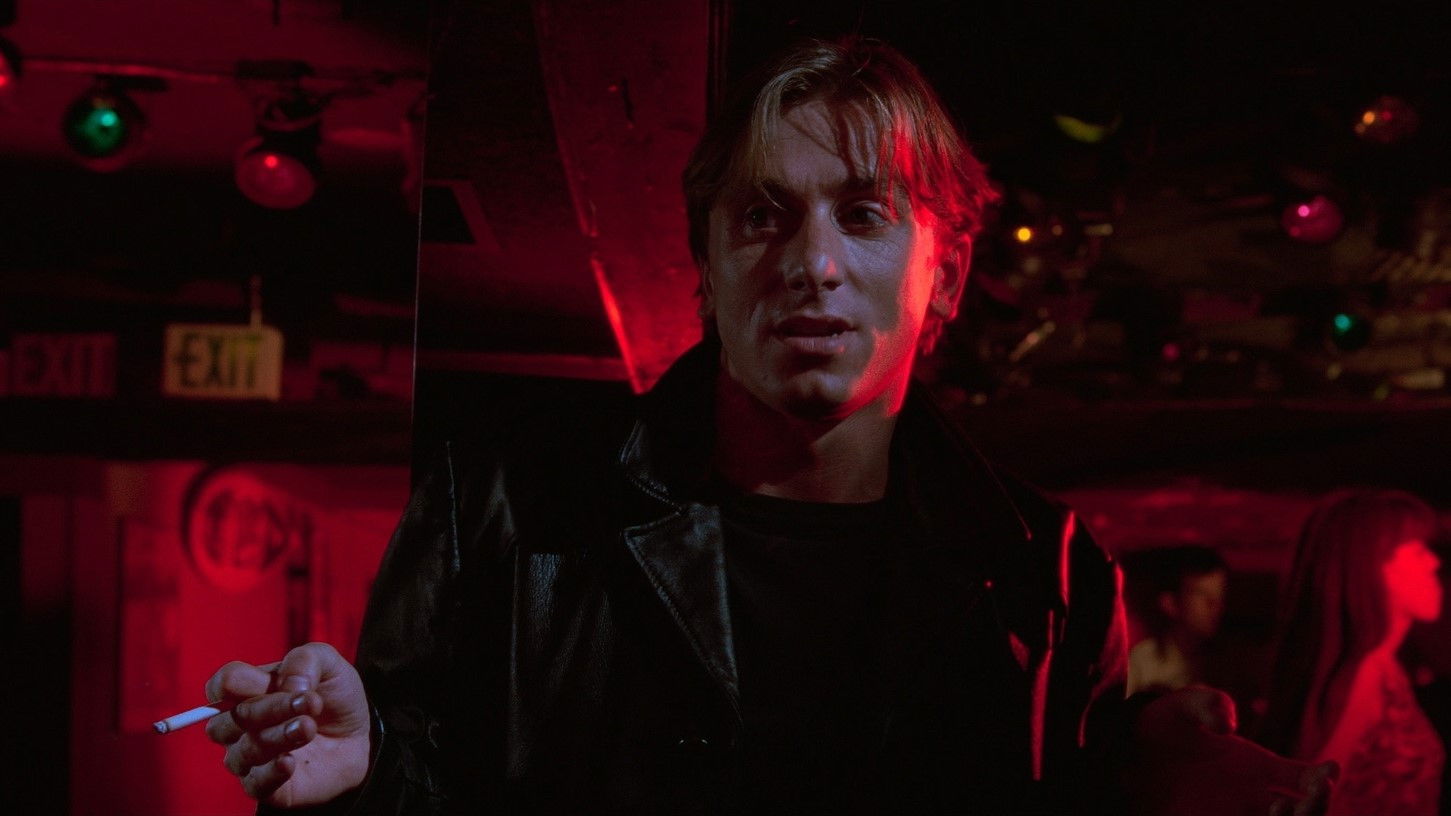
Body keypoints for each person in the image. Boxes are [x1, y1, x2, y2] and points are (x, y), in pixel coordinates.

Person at [204, 37, 1333, 814]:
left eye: (863, 214)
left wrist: (1166, 770)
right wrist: (364, 774)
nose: (812, 264)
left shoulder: (1045, 566)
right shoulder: (503, 507)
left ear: (944, 276)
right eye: (761, 215)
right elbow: (421, 781)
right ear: (706, 266)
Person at [1259, 489, 1444, 816]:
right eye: (1417, 550)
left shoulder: (1386, 669)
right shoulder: (1366, 674)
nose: (1434, 561)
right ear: (1374, 565)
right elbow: (1307, 796)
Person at [1123, 546, 1228, 693]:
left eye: (1219, 593)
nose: (1215, 604)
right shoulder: (1143, 662)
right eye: (1201, 594)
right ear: (1170, 603)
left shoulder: (1229, 663)